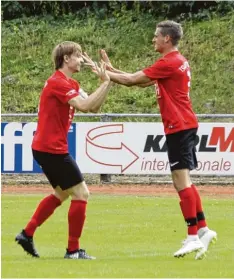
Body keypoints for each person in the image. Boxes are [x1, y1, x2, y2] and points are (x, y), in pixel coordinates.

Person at [86, 20, 217, 259]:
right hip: (183, 125)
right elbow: (140, 80)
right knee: (184, 180)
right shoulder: (174, 62)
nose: (153, 39)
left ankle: (191, 237)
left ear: (167, 39)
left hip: (179, 126)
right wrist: (112, 71)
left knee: (181, 182)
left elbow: (133, 80)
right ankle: (203, 230)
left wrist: (107, 74)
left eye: (156, 36)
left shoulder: (170, 62)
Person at [15, 41, 112, 260]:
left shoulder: (70, 83)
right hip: (51, 148)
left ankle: (26, 234)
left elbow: (93, 106)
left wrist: (106, 82)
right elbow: (86, 106)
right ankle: (73, 251)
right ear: (66, 59)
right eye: (77, 56)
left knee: (62, 193)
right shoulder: (58, 82)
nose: (81, 60)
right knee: (81, 193)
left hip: (47, 147)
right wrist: (106, 81)